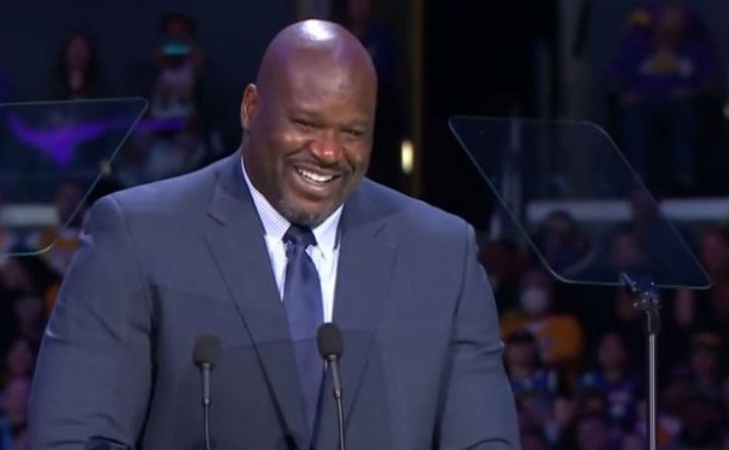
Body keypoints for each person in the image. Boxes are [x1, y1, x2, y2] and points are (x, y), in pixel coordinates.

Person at [28, 19, 518, 450]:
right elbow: (73, 436)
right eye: (306, 123)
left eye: (352, 132)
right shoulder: (135, 235)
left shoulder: (442, 255)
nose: (328, 152)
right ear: (250, 108)